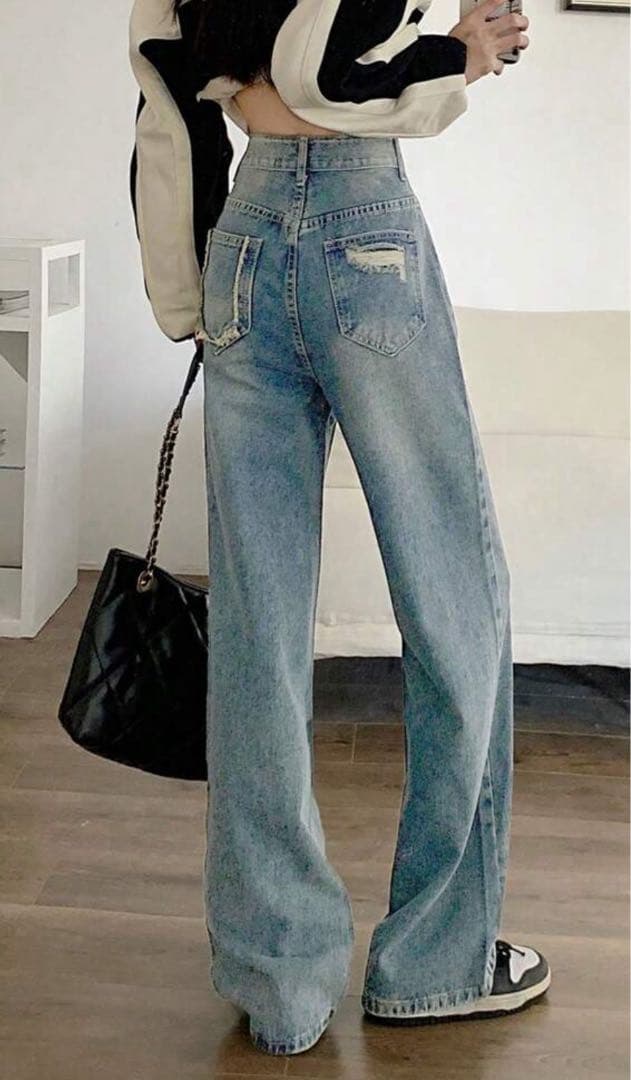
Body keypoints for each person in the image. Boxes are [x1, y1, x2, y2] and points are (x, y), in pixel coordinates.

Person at [129, 0, 550, 1058]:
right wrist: (458, 57)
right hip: (363, 222)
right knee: (454, 600)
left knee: (258, 628)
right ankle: (437, 965)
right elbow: (320, 69)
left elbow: (167, 98)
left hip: (243, 232)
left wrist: (187, 292)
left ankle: (278, 978)